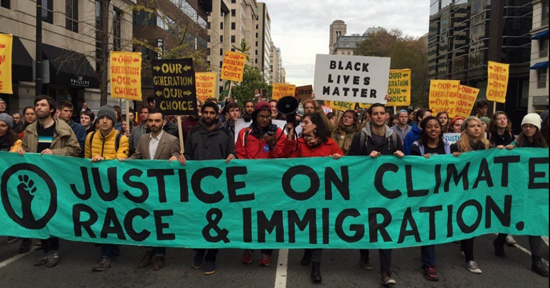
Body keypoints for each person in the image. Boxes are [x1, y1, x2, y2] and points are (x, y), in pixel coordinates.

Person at [17, 95, 81, 266]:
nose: (38, 108)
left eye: (43, 105)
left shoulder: (64, 129)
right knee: (40, 214)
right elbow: (24, 148)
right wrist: (21, 150)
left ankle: (54, 249)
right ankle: (45, 249)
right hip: (36, 179)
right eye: (37, 105)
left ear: (52, 110)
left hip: (55, 178)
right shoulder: (30, 130)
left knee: (51, 213)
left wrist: (55, 153)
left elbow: (75, 149)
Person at [348, 103, 404, 286]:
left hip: (386, 194)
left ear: (387, 117)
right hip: (365, 191)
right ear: (369, 116)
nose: (379, 116)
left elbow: (407, 163)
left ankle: (386, 272)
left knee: (385, 228)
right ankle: (364, 255)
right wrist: (366, 160)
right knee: (365, 224)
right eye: (376, 114)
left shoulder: (394, 138)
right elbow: (351, 164)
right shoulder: (360, 138)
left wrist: (401, 156)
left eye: (382, 113)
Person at [283, 112, 342, 283]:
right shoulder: (299, 143)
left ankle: (316, 263)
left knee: (320, 227)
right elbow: (287, 159)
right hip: (303, 195)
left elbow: (344, 167)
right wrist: (289, 135)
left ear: (316, 125)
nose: (303, 125)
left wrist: (337, 160)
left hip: (323, 195)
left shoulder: (330, 144)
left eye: (306, 122)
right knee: (307, 224)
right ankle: (308, 250)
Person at [492, 113, 549, 277]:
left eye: (531, 126)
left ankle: (536, 261)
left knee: (535, 221)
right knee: (512, 216)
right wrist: (505, 150)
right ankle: (500, 240)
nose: (528, 128)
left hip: (536, 192)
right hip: (518, 188)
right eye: (525, 126)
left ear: (537, 128)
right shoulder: (517, 143)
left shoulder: (543, 147)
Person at [184, 102, 236, 275]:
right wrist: (182, 158)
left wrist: (232, 156)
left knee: (215, 220)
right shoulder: (193, 134)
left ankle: (211, 256)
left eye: (211, 113)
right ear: (201, 113)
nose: (208, 115)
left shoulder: (226, 133)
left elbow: (232, 154)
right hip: (197, 186)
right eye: (205, 112)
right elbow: (189, 155)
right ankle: (199, 250)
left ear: (217, 114)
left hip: (218, 187)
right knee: (198, 219)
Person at [129, 108, 183, 271]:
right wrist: (121, 162)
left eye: (157, 121)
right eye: (150, 121)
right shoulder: (143, 139)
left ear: (164, 122)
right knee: (146, 219)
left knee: (161, 220)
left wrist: (176, 159)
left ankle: (160, 253)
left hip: (163, 188)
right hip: (146, 188)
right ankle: (149, 250)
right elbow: (136, 157)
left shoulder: (172, 139)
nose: (153, 124)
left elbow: (177, 158)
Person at [236, 101, 285, 266]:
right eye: (261, 116)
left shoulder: (278, 133)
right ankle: (249, 248)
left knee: (268, 218)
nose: (264, 120)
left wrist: (272, 145)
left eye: (267, 116)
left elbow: (282, 158)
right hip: (250, 182)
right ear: (255, 116)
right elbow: (240, 154)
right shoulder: (244, 133)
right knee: (249, 217)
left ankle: (266, 252)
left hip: (271, 184)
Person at [85, 105, 130, 272]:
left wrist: (103, 160)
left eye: (108, 118)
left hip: (114, 185)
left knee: (111, 218)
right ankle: (110, 250)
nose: (104, 121)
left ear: (114, 121)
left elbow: (122, 159)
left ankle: (107, 255)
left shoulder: (121, 138)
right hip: (97, 185)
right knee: (104, 218)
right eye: (102, 118)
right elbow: (85, 159)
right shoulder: (90, 137)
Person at [409, 116, 452, 282]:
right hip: (423, 195)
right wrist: (420, 162)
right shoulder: (416, 147)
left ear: (440, 129)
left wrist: (456, 158)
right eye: (429, 127)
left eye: (436, 126)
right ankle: (429, 264)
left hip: (442, 193)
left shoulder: (448, 146)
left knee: (436, 226)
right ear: (424, 129)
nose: (433, 129)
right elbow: (411, 170)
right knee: (429, 226)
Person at [450, 116, 490, 274]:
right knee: (469, 222)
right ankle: (470, 259)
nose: (476, 129)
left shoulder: (487, 147)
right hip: (463, 190)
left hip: (480, 189)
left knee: (475, 221)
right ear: (465, 129)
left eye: (478, 126)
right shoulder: (457, 146)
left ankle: (465, 247)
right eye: (472, 126)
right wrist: (454, 158)